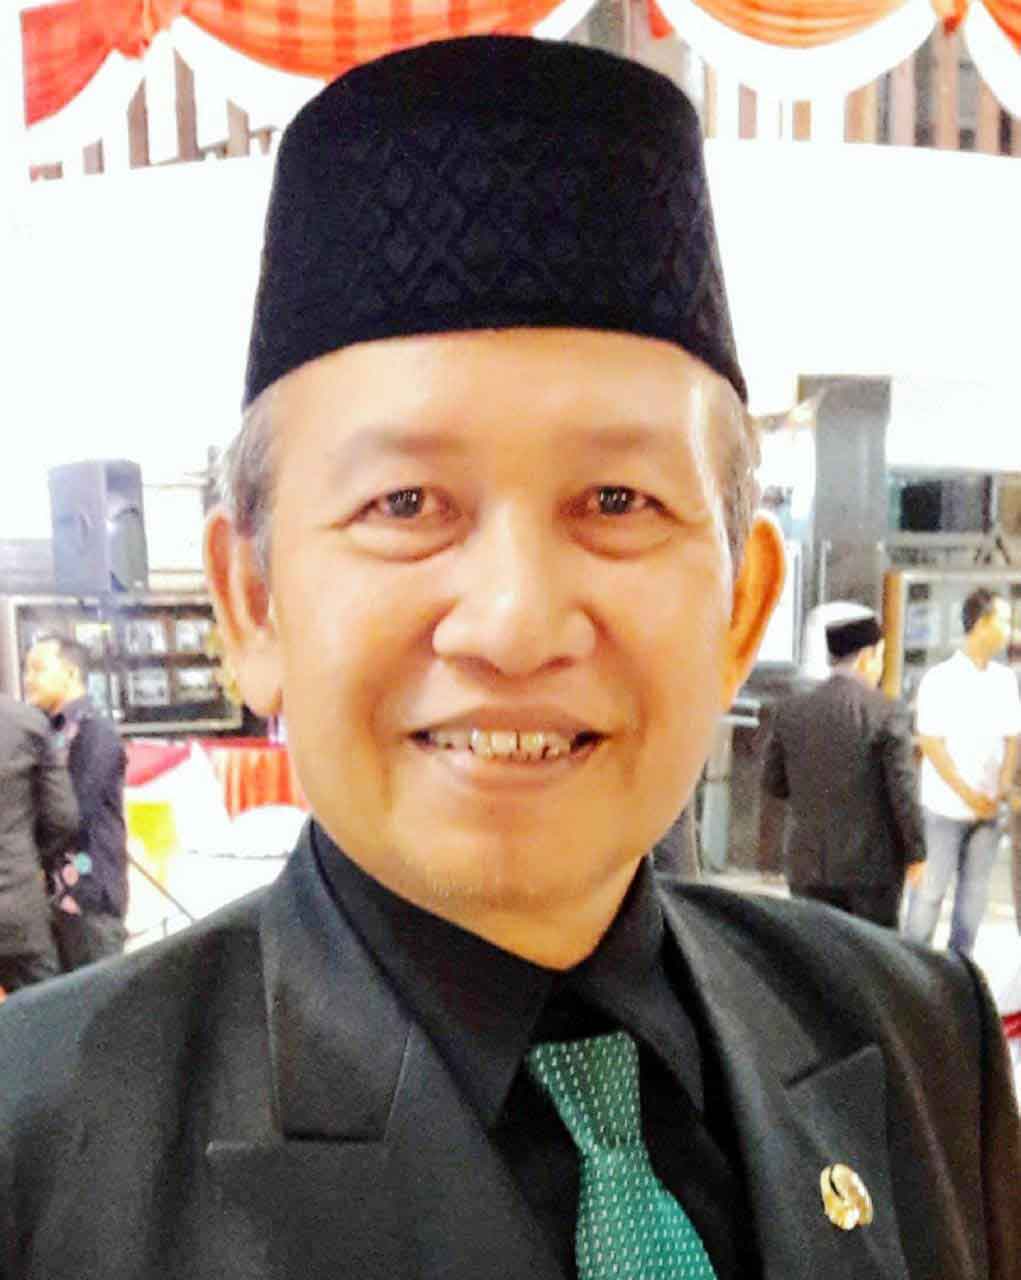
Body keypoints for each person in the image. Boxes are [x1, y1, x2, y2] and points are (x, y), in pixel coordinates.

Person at [0, 37, 1017, 1280]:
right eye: (405, 503)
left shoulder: (921, 1040)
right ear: (253, 599)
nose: (516, 620)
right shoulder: (37, 1147)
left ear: (742, 603)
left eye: (618, 500)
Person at [761, 612, 926, 927]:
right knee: (869, 951)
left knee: (813, 950)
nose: (880, 667)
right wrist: (917, 851)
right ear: (866, 656)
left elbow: (773, 783)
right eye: (880, 657)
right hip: (872, 869)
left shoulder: (791, 711)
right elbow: (903, 789)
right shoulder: (888, 712)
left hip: (807, 864)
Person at [904, 587, 1021, 956]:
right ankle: (911, 969)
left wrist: (1001, 788)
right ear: (982, 624)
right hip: (944, 810)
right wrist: (968, 794)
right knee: (928, 898)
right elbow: (931, 744)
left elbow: (1013, 738)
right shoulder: (941, 678)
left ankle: (960, 974)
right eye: (1004, 620)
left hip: (988, 813)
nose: (1009, 629)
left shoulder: (1004, 680)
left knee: (972, 903)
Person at [22, 634, 129, 970]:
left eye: (38, 669)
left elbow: (75, 811)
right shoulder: (44, 734)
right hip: (50, 900)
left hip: (89, 898)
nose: (28, 679)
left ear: (70, 673)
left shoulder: (96, 732)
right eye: (27, 670)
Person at [0, 692, 79, 996]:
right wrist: (32, 856)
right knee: (46, 1015)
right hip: (19, 905)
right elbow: (63, 819)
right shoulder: (29, 723)